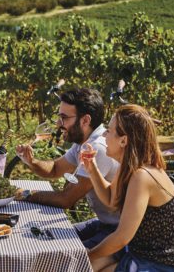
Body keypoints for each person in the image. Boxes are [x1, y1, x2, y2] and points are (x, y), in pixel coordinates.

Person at [80, 104, 174, 272]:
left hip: (162, 263)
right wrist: (92, 169)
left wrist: (88, 255)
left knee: (87, 265)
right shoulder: (130, 167)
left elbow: (121, 237)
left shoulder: (142, 176)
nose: (103, 134)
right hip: (140, 252)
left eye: (109, 131)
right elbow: (111, 199)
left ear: (123, 140)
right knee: (86, 267)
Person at [15, 88, 120, 248]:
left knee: (56, 252)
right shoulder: (83, 143)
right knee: (36, 236)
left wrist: (26, 194)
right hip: (103, 223)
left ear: (85, 120)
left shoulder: (97, 148)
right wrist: (31, 161)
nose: (58, 124)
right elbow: (55, 169)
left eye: (64, 118)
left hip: (117, 231)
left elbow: (66, 199)